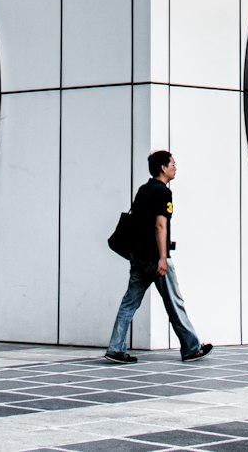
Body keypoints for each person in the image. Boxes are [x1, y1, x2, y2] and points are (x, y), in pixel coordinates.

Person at [105, 150, 212, 363]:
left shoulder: (143, 190)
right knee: (174, 302)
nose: (175, 166)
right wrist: (163, 257)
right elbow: (160, 225)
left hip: (138, 256)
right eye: (172, 163)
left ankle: (115, 348)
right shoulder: (163, 192)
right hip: (155, 259)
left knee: (129, 303)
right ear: (163, 167)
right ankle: (191, 348)